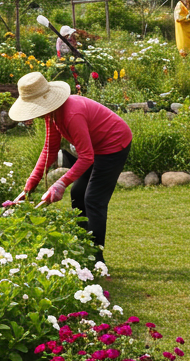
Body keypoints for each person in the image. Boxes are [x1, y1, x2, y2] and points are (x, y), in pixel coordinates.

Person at [10, 71, 132, 260]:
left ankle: (95, 259)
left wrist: (60, 183)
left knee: (93, 199)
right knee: (77, 193)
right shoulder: (52, 114)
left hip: (113, 145)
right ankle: (80, 250)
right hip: (95, 147)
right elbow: (50, 149)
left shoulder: (71, 113)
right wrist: (29, 187)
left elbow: (86, 157)